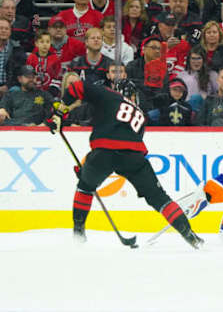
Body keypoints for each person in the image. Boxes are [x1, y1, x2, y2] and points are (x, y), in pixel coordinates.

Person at [47, 78, 203, 249]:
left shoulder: (107, 93)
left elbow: (76, 87)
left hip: (104, 152)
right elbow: (124, 140)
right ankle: (190, 235)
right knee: (160, 198)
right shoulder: (141, 115)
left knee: (85, 186)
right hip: (134, 157)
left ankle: (78, 234)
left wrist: (59, 112)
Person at [177, 45, 218, 113]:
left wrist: (208, 98)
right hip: (184, 108)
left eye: (199, 58)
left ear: (204, 60)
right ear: (189, 60)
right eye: (193, 58)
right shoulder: (181, 75)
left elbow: (220, 94)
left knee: (196, 98)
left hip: (204, 109)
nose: (196, 61)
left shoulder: (212, 75)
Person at [26, 29, 62, 95]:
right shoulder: (31, 58)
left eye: (47, 42)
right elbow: (28, 75)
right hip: (33, 91)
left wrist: (53, 89)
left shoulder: (55, 59)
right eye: (42, 42)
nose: (45, 44)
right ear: (36, 43)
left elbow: (58, 76)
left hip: (51, 92)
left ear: (51, 43)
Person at [0, 17, 26, 97]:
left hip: (10, 86)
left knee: (16, 90)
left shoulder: (17, 49)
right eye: (1, 28)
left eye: (6, 29)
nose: (3, 31)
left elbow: (18, 72)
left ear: (10, 32)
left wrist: (7, 86)